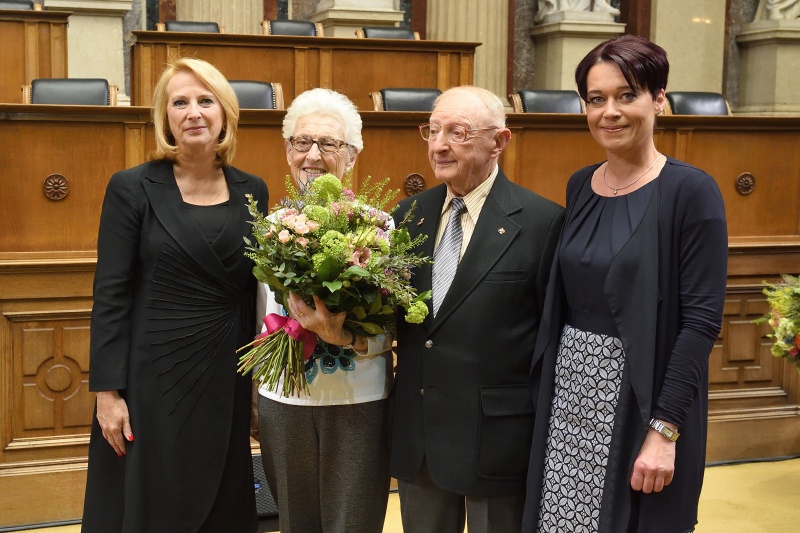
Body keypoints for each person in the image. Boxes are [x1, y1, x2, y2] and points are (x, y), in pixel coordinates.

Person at [522, 35, 728, 533]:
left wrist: (664, 430)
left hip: (644, 399)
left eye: (626, 95)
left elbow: (700, 323)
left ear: (658, 98)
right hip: (571, 393)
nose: (609, 112)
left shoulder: (691, 191)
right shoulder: (580, 184)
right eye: (596, 99)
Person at [81, 57, 268, 533]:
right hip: (151, 381)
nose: (194, 113)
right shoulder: (131, 188)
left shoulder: (254, 190)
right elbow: (111, 295)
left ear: (225, 111)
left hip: (224, 374)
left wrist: (254, 388)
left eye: (206, 101)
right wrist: (107, 393)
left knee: (221, 500)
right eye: (179, 102)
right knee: (154, 505)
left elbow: (252, 297)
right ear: (164, 116)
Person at [390, 86, 565, 533]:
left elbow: (552, 341)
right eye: (432, 130)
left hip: (498, 438)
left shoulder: (542, 223)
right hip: (422, 436)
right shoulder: (408, 215)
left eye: (458, 132)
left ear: (499, 142)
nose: (439, 144)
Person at [256, 87, 394, 533]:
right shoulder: (268, 228)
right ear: (287, 151)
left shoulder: (379, 229)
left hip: (358, 400)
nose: (312, 155)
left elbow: (393, 330)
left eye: (329, 144)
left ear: (351, 157)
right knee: (295, 523)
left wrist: (341, 336)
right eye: (302, 142)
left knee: (352, 524)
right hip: (283, 401)